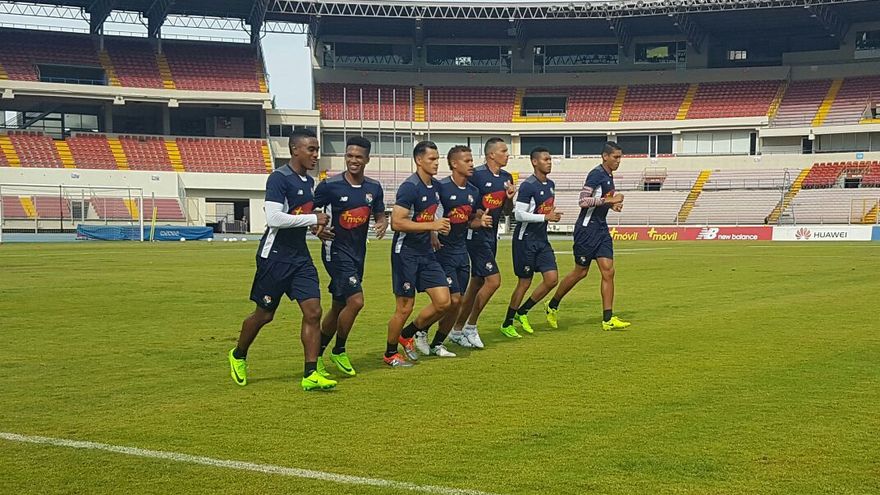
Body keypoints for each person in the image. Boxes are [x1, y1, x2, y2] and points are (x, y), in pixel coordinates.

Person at [227, 128, 337, 391]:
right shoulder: (279, 178)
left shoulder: (308, 182)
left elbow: (297, 216)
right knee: (264, 314)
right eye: (311, 149)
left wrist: (316, 228)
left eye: (317, 149)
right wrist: (313, 218)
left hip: (300, 257)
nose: (315, 154)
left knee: (314, 312)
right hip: (275, 257)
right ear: (294, 150)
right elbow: (274, 218)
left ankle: (310, 373)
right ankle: (238, 354)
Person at [312, 136, 387, 377]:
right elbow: (309, 210)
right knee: (356, 301)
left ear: (367, 159)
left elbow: (379, 213)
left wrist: (382, 222)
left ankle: (316, 354)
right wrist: (315, 227)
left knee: (339, 306)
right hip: (335, 251)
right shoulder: (329, 186)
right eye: (349, 156)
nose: (353, 160)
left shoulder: (374, 188)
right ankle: (339, 349)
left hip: (358, 253)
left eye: (358, 157)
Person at [546, 141, 631, 331]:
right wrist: (609, 199)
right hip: (586, 230)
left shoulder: (609, 176)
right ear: (605, 156)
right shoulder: (596, 174)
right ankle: (552, 305)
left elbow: (601, 202)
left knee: (608, 271)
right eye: (615, 157)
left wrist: (612, 206)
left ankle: (608, 318)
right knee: (580, 272)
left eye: (620, 157)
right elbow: (583, 201)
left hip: (601, 229)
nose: (618, 161)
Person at [416, 145, 492, 356]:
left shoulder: (473, 192)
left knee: (457, 303)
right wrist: (432, 233)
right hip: (442, 251)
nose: (471, 164)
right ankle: (420, 330)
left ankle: (438, 343)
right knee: (453, 300)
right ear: (454, 164)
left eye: (471, 160)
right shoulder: (441, 187)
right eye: (467, 161)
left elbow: (468, 221)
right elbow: (430, 214)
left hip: (461, 251)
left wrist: (480, 222)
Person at [384, 141, 452, 367]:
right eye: (432, 159)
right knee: (404, 307)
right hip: (405, 253)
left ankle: (407, 334)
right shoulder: (410, 187)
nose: (436, 163)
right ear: (419, 160)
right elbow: (396, 222)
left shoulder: (435, 187)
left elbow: (426, 214)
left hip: (426, 252)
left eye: (437, 158)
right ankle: (390, 354)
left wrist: (432, 232)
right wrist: (432, 226)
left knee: (444, 302)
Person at [450, 137, 515, 349]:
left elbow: (506, 212)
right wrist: (479, 217)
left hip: (491, 236)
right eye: (503, 151)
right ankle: (471, 326)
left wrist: (509, 198)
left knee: (477, 283)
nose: (507, 154)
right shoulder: (476, 175)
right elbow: (468, 204)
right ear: (491, 154)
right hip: (475, 235)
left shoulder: (506, 177)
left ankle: (456, 330)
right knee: (493, 281)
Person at [500, 147, 562, 338]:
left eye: (550, 159)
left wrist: (551, 215)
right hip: (525, 240)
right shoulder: (528, 185)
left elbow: (543, 209)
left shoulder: (550, 184)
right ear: (535, 162)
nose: (549, 162)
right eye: (545, 159)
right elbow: (518, 214)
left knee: (552, 279)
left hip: (542, 240)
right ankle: (507, 322)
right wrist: (545, 217)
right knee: (524, 282)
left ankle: (523, 311)